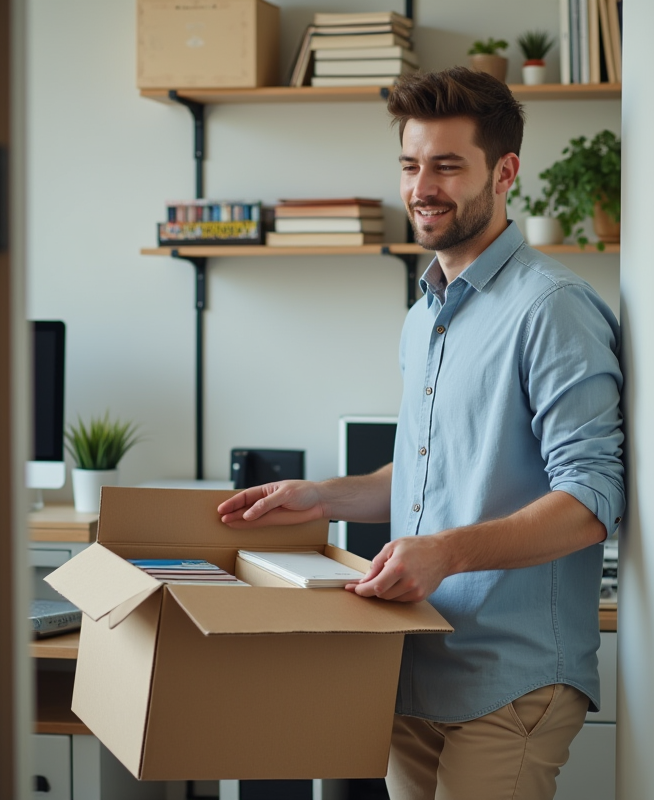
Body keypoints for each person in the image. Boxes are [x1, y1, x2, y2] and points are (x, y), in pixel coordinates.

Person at [218, 67, 624, 800]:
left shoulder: (553, 307)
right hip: (414, 667)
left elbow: (594, 499)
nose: (422, 186)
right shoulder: (425, 313)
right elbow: (424, 473)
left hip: (511, 680)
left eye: (446, 165)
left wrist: (446, 552)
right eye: (410, 164)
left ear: (505, 174)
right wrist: (321, 496)